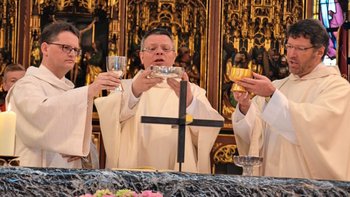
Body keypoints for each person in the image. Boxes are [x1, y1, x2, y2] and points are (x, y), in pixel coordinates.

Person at [232, 19, 350, 181]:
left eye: (300, 48)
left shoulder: (336, 87)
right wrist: (245, 107)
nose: (291, 55)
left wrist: (272, 96)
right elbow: (254, 135)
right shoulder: (278, 86)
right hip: (269, 183)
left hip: (307, 186)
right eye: (289, 47)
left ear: (319, 51)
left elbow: (313, 127)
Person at [95, 28, 223, 173]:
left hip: (179, 169)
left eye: (165, 49)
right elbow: (109, 119)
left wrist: (189, 102)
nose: (159, 52)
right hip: (133, 170)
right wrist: (134, 92)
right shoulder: (123, 87)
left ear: (174, 56)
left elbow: (208, 129)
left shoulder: (192, 91)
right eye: (152, 48)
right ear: (142, 56)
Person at [6, 21, 120, 168]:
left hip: (67, 180)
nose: (72, 54)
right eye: (66, 47)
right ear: (45, 48)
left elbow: (78, 142)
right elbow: (40, 116)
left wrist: (79, 148)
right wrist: (90, 90)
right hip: (34, 180)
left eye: (76, 50)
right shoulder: (26, 86)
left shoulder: (68, 90)